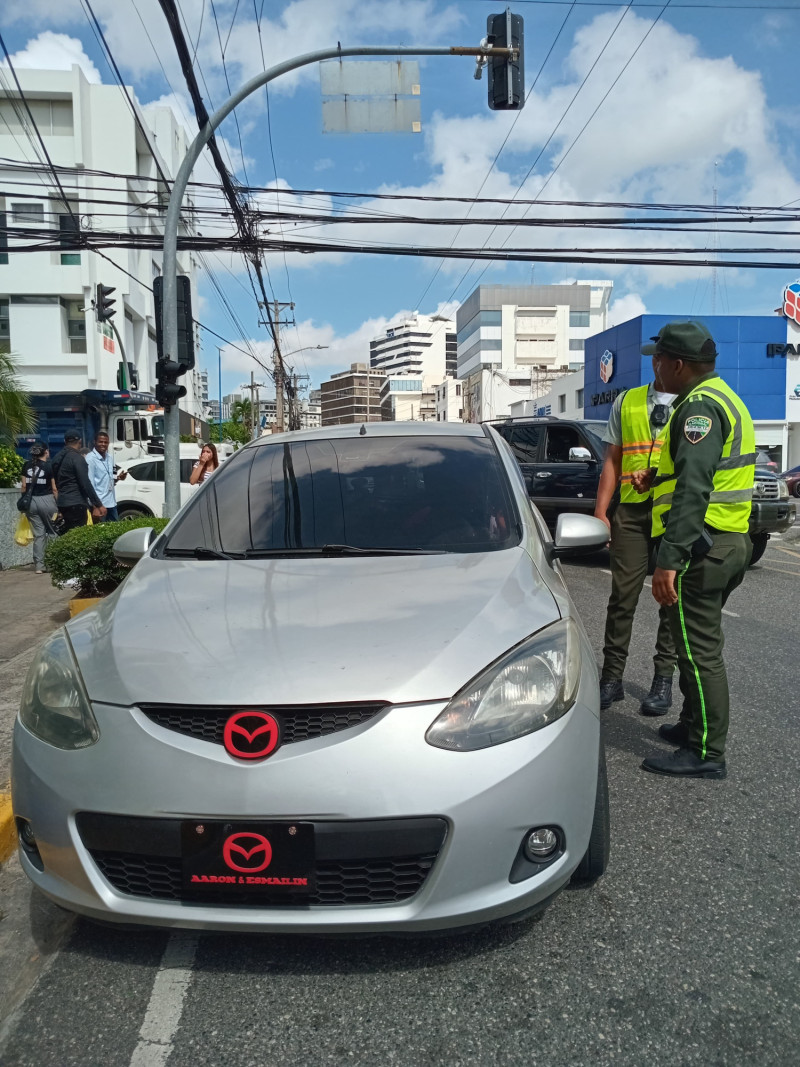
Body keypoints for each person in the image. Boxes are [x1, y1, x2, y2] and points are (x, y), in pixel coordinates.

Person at [631, 321, 755, 780]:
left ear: (678, 364)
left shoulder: (698, 408)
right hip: (728, 542)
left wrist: (669, 560)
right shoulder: (723, 397)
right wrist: (656, 477)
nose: (655, 368)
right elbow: (703, 473)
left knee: (699, 652)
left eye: (659, 360)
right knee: (689, 645)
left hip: (702, 548)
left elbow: (694, 490)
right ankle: (691, 725)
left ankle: (706, 751)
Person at [595, 368, 678, 715]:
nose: (660, 362)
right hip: (630, 511)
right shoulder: (627, 401)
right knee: (622, 598)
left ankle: (663, 680)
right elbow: (612, 460)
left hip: (673, 512)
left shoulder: (693, 401)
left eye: (665, 355)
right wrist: (601, 512)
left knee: (670, 597)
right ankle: (612, 678)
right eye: (655, 355)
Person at [51, 430, 106, 532]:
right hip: (76, 503)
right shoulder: (77, 458)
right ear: (80, 441)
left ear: (65, 441)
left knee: (67, 534)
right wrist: (98, 504)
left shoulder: (56, 458)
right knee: (78, 534)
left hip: (62, 502)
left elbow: (56, 480)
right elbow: (85, 483)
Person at [20, 443, 58, 573]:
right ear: (46, 452)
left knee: (39, 534)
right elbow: (54, 488)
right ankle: (52, 563)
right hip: (47, 500)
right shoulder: (49, 466)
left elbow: (24, 486)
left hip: (31, 502)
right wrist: (58, 505)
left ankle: (39, 566)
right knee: (53, 531)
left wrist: (24, 501)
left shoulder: (26, 465)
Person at [86, 430, 127, 522]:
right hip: (100, 505)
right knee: (101, 530)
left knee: (115, 529)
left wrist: (119, 478)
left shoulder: (110, 457)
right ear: (95, 442)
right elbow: (89, 485)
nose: (103, 444)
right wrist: (95, 506)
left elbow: (112, 478)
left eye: (106, 442)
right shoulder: (90, 459)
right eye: (100, 442)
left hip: (111, 503)